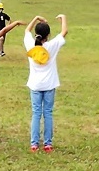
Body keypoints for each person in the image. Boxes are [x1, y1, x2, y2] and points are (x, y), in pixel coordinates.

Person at [24, 14, 68, 153]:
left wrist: (36, 18)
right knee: (48, 113)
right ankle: (48, 144)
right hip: (49, 84)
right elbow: (64, 32)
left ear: (36, 34)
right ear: (48, 35)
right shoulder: (51, 45)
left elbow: (26, 31)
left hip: (35, 85)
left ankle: (34, 144)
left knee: (36, 113)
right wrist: (63, 18)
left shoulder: (31, 45)